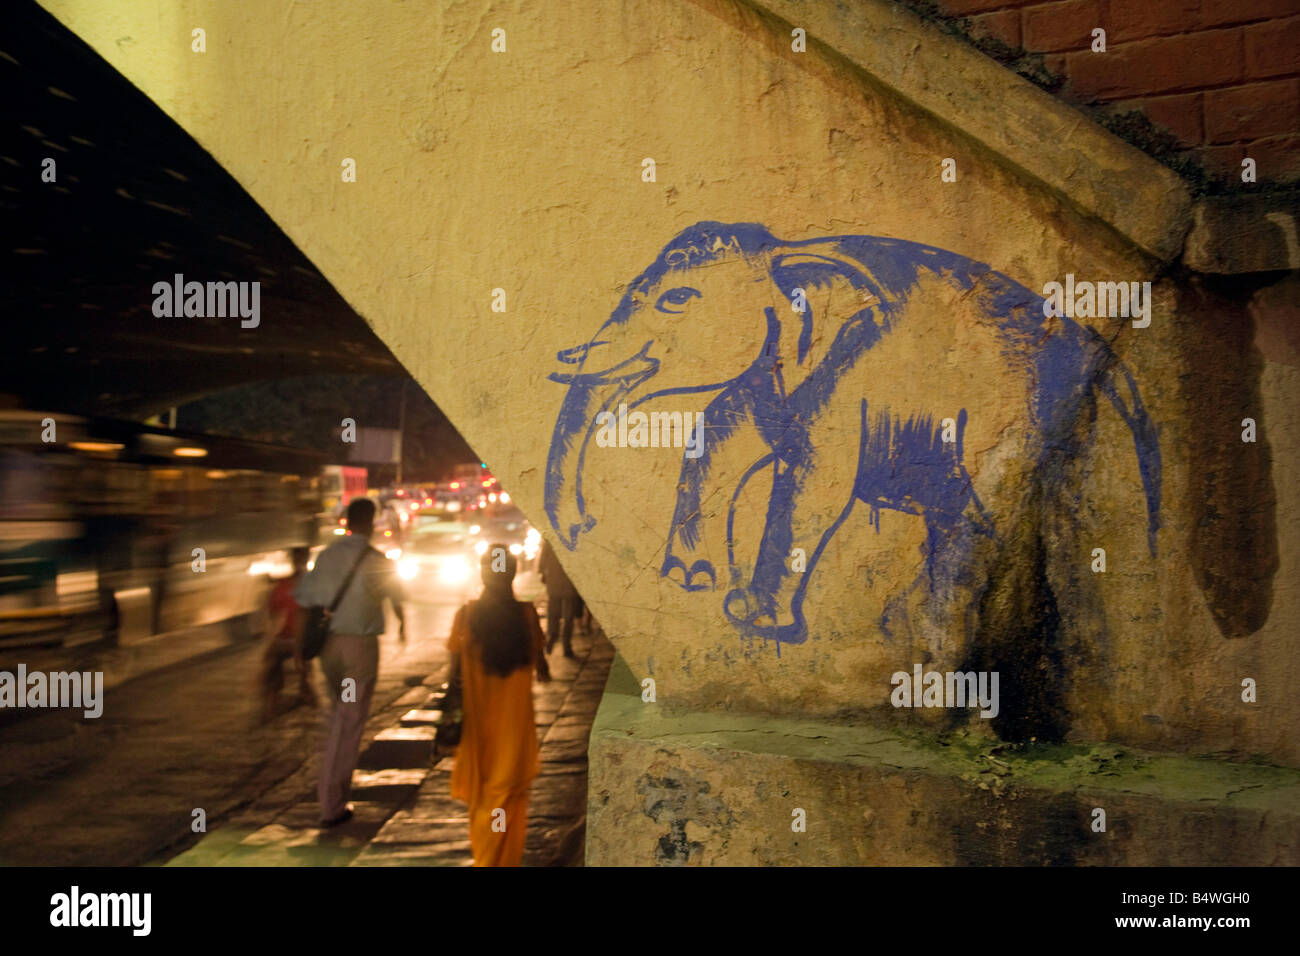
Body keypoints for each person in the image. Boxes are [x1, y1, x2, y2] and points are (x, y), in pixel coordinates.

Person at [295, 497, 406, 828]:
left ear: (346, 522)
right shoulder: (376, 560)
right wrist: (402, 622)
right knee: (348, 723)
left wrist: (300, 651)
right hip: (359, 648)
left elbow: (306, 601)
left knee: (339, 716)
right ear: (372, 523)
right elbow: (396, 594)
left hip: (329, 646)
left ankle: (335, 797)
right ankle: (331, 804)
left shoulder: (327, 556)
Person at [446, 545, 550, 866]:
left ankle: (488, 858)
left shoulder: (466, 616)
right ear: (513, 574)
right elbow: (541, 664)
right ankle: (503, 859)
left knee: (486, 800)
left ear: (483, 573)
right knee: (509, 799)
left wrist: (448, 717)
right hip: (514, 730)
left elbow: (453, 674)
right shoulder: (526, 615)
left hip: (479, 730)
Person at [258, 546, 316, 719]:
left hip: (297, 639)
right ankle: (299, 690)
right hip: (293, 638)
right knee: (278, 660)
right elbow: (275, 614)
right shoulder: (308, 584)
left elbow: (273, 614)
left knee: (276, 660)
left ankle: (280, 696)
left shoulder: (289, 585)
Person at [538, 539, 579, 658]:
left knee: (553, 615)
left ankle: (552, 638)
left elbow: (542, 563)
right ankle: (566, 646)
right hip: (569, 584)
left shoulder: (549, 540)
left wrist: (543, 574)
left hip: (554, 582)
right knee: (568, 617)